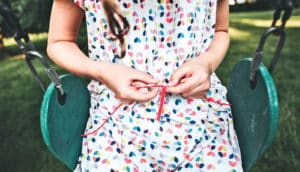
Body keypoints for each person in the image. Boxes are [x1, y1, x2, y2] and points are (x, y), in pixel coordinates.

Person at [47, 0, 243, 171]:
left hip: (204, 128)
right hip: (115, 130)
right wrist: (104, 72)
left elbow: (221, 30)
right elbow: (59, 41)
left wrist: (206, 62)